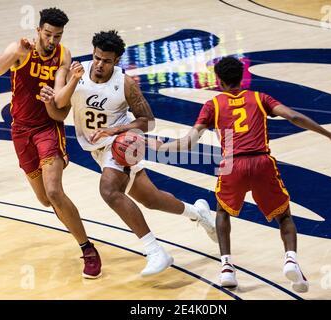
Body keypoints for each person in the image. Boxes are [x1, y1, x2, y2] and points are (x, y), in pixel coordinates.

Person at [152, 56, 331, 292]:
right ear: (242, 77)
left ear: (219, 81)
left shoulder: (213, 105)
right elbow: (294, 117)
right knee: (284, 217)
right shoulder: (259, 97)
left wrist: (162, 147)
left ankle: (226, 267)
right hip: (261, 161)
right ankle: (290, 259)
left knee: (222, 212)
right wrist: (329, 134)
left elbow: (189, 142)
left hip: (232, 164)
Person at [39, 30, 217, 277]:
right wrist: (50, 100)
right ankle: (198, 213)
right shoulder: (77, 75)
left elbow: (148, 121)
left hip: (122, 142)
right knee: (151, 199)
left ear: (117, 61)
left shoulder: (124, 84)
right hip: (97, 151)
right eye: (98, 58)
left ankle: (155, 251)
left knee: (109, 190)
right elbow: (59, 112)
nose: (100, 64)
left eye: (107, 60)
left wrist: (116, 128)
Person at [0, 8, 102, 279]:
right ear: (38, 31)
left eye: (57, 36)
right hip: (20, 131)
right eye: (48, 35)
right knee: (45, 199)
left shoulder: (63, 55)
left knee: (55, 191)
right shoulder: (20, 51)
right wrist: (12, 54)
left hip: (48, 128)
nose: (52, 41)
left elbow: (59, 101)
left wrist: (53, 95)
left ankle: (88, 248)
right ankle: (76, 230)